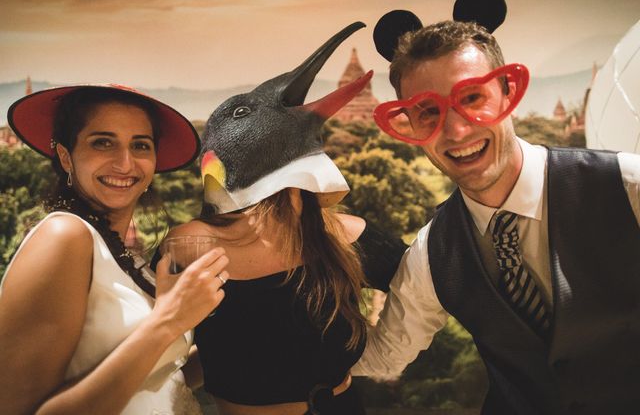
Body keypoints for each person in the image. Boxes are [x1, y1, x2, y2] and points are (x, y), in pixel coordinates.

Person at [353, 20, 640, 414]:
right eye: (428, 113)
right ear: (410, 126)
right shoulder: (431, 253)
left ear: (507, 92)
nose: (455, 130)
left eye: (472, 98)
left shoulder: (627, 187)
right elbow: (385, 355)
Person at [164, 22, 407, 415]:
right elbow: (167, 342)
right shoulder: (190, 245)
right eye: (244, 113)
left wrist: (383, 354)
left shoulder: (347, 237)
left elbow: (429, 288)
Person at [0, 85, 229, 415]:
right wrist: (169, 319)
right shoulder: (64, 235)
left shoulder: (126, 254)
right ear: (66, 156)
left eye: (140, 145)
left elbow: (154, 378)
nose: (125, 163)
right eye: (102, 143)